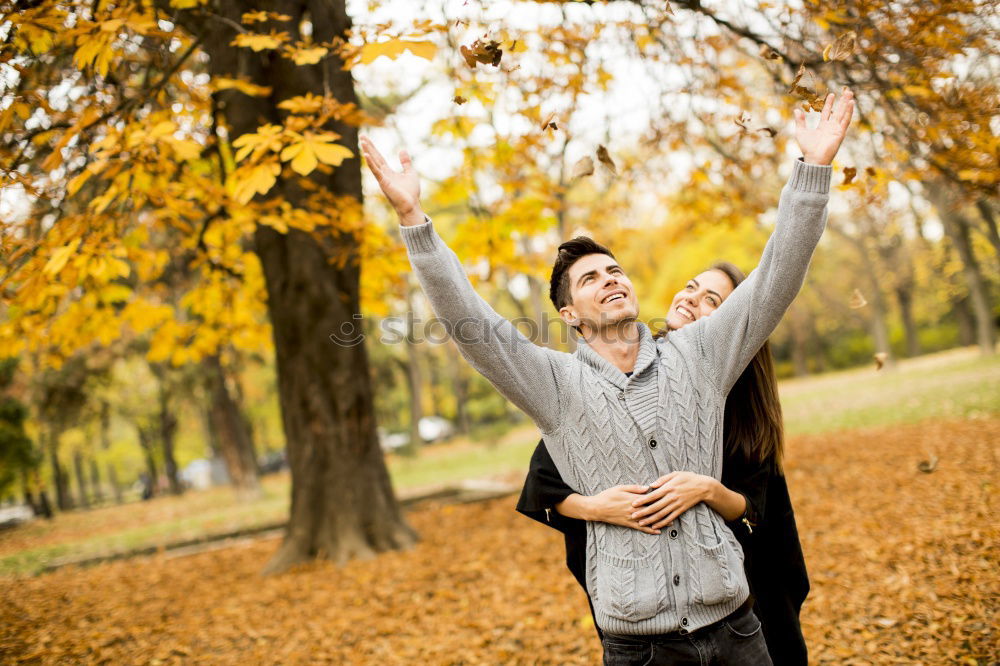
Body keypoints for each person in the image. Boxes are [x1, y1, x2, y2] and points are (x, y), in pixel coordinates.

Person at [361, 88, 853, 665]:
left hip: (736, 631)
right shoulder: (554, 385)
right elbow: (470, 322)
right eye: (591, 278)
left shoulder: (699, 354)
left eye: (615, 269)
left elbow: (776, 277)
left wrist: (813, 171)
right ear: (569, 315)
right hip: (640, 647)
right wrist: (412, 220)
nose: (610, 278)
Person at [517, 261, 810, 664]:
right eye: (690, 286)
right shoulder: (621, 371)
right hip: (642, 597)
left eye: (713, 300)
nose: (691, 297)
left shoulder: (744, 402)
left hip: (738, 588)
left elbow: (756, 506)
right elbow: (545, 482)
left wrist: (706, 488)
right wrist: (596, 506)